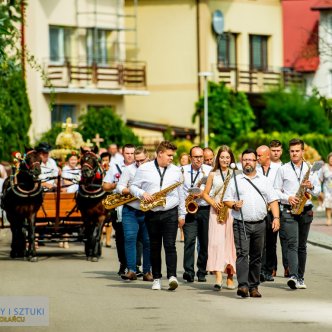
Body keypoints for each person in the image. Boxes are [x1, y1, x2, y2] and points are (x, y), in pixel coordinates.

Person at [223, 148, 280, 298]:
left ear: (256, 162)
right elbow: (226, 199)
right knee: (242, 253)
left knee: (256, 256)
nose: (247, 162)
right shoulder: (235, 180)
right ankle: (243, 285)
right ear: (241, 162)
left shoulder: (264, 180)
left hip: (260, 223)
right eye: (245, 160)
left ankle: (254, 286)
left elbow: (273, 200)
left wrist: (276, 218)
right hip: (241, 222)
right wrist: (234, 205)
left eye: (250, 159)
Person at [130, 141, 185, 291]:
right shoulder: (144, 168)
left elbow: (180, 193)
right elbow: (133, 187)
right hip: (152, 212)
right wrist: (143, 194)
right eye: (169, 155)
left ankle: (172, 277)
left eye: (172, 155)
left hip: (170, 211)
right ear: (160, 153)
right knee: (154, 246)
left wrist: (182, 214)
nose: (171, 158)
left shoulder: (176, 170)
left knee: (170, 245)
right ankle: (157, 279)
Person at [274, 138, 320, 290]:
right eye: (292, 151)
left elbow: (318, 191)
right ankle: (293, 276)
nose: (294, 153)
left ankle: (301, 277)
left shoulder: (311, 168)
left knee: (302, 246)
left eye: (297, 151)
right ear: (289, 152)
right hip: (289, 210)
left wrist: (311, 186)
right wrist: (288, 197)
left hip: (305, 210)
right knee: (292, 244)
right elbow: (275, 190)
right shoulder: (283, 169)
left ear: (302, 151)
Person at [202, 145, 237, 290]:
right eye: (222, 157)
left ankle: (230, 276)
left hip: (231, 212)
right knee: (216, 244)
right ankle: (218, 276)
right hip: (215, 212)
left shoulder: (235, 174)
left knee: (231, 244)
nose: (225, 160)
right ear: (218, 158)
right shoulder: (212, 174)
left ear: (231, 159)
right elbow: (205, 193)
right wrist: (213, 203)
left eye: (227, 157)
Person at [117, 147, 152, 281]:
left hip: (148, 210)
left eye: (142, 160)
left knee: (148, 241)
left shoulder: (153, 169)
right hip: (131, 209)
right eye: (137, 161)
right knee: (130, 238)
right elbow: (119, 186)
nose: (139, 163)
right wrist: (130, 191)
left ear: (147, 157)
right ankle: (131, 270)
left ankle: (147, 271)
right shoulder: (129, 169)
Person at [103, 144, 135, 275]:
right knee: (121, 237)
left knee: (135, 237)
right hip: (119, 206)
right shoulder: (115, 167)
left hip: (135, 204)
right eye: (127, 153)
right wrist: (117, 185)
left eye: (132, 153)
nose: (130, 156)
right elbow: (105, 186)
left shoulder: (140, 167)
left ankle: (134, 264)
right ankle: (123, 263)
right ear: (123, 153)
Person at [182, 146, 212, 283]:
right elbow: (179, 191)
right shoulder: (182, 171)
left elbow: (214, 190)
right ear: (190, 158)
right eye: (196, 157)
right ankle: (188, 271)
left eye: (201, 157)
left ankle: (202, 271)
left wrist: (203, 193)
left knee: (204, 242)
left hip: (205, 209)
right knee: (189, 241)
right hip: (189, 209)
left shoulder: (209, 170)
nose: (199, 159)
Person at [256, 145, 279, 282]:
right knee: (260, 243)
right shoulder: (256, 170)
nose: (257, 158)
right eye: (257, 155)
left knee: (271, 242)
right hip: (259, 209)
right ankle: (260, 270)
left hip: (272, 209)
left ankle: (269, 270)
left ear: (267, 156)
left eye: (259, 155)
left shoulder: (278, 170)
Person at [100, 152, 113, 247]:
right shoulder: (98, 170)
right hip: (100, 196)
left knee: (109, 219)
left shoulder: (112, 170)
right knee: (100, 218)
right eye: (103, 160)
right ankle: (100, 238)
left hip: (109, 195)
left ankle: (108, 240)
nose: (105, 162)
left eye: (106, 160)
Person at [319, 152, 332, 226]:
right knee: (328, 204)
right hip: (327, 189)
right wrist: (319, 191)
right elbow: (320, 179)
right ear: (328, 159)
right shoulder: (324, 168)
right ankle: (328, 218)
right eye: (331, 159)